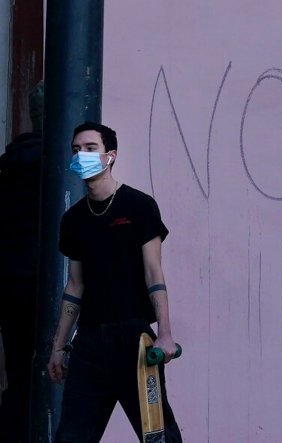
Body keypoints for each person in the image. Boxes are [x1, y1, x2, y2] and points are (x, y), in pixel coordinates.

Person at [47, 121, 183, 442]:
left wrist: (164, 333)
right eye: (76, 150)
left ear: (110, 156)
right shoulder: (74, 220)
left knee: (158, 437)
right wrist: (57, 347)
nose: (82, 155)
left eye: (90, 148)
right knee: (71, 437)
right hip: (89, 346)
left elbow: (154, 272)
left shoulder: (138, 206)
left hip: (134, 343)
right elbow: (74, 286)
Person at [0, 81, 43, 443]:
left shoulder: (9, 164)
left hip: (11, 282)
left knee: (19, 374)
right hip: (47, 284)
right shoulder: (64, 166)